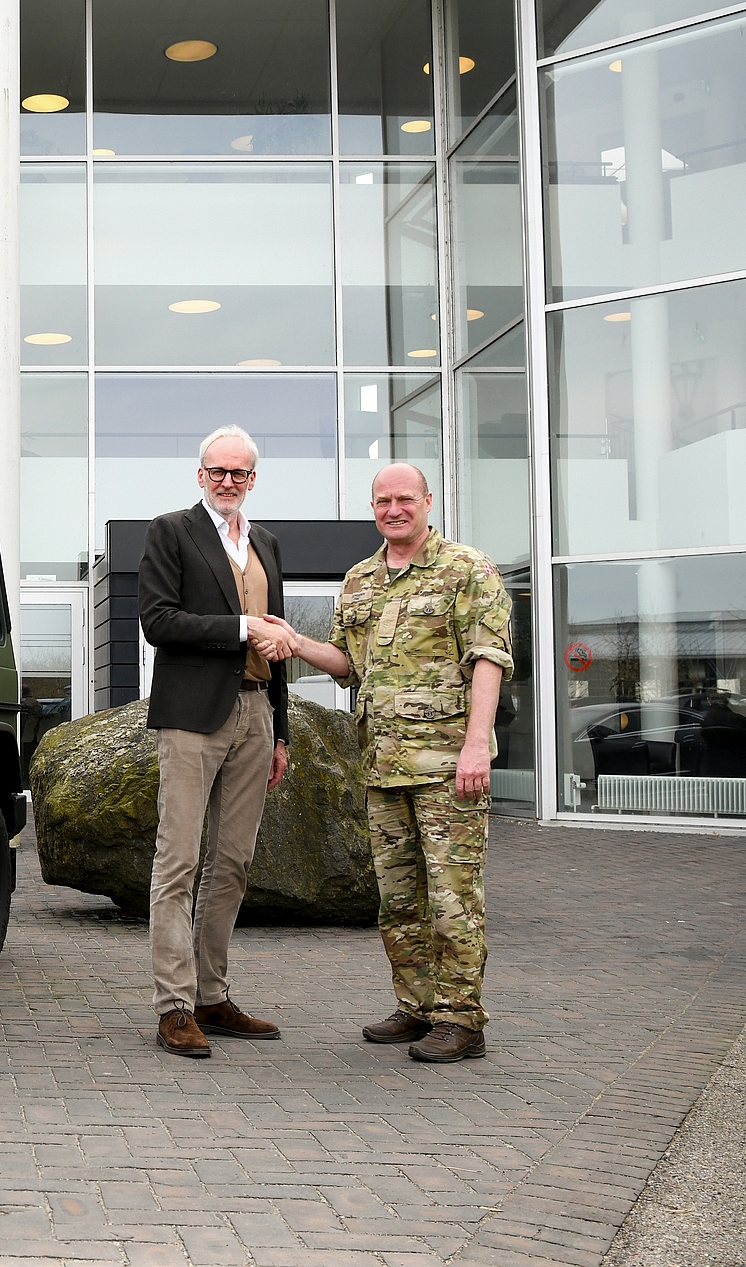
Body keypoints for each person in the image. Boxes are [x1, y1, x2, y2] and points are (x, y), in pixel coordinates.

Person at [254, 464, 511, 1063]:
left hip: (448, 764)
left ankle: (461, 1018)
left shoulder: (466, 569)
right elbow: (347, 663)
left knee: (452, 896)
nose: (393, 510)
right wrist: (295, 642)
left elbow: (488, 661)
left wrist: (477, 744)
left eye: (404, 499)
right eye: (382, 501)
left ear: (426, 501)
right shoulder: (361, 578)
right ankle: (417, 1006)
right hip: (383, 765)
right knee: (398, 899)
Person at [137, 425, 293, 1059]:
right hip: (191, 718)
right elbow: (158, 621)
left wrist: (281, 732)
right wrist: (240, 627)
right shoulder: (171, 531)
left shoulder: (268, 544)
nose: (228, 481)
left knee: (233, 862)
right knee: (178, 862)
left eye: (240, 473)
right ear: (200, 474)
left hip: (256, 716)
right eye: (217, 471)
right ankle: (173, 1007)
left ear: (253, 479)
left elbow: (278, 646)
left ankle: (211, 995)